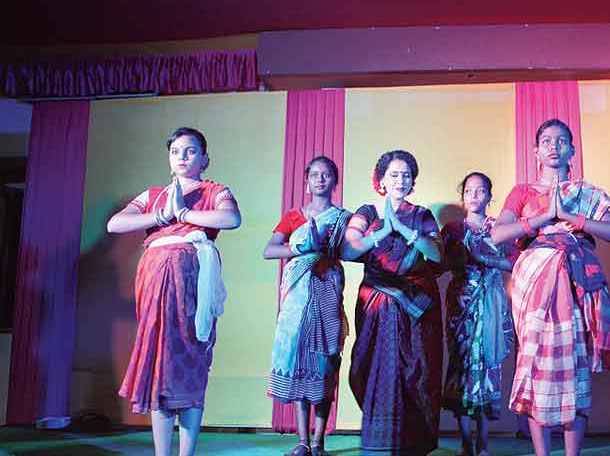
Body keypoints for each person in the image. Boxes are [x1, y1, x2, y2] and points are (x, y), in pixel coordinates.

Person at [491, 119, 610, 456]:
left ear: (572, 150)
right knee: (535, 364)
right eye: (547, 141)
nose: (554, 146)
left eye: (561, 140)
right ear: (536, 151)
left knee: (575, 367)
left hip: (576, 282)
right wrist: (542, 218)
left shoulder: (586, 191)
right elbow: (499, 234)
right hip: (534, 283)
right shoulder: (522, 191)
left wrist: (570, 216)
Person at [108, 127, 241, 456]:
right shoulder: (153, 194)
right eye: (176, 151)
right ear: (169, 159)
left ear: (205, 159)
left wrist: (183, 214)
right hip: (155, 282)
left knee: (193, 361)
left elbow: (232, 218)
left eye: (191, 151)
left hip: (194, 282)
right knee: (161, 365)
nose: (182, 157)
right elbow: (115, 223)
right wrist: (160, 215)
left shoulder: (214, 190)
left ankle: (187, 453)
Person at [343, 150, 444, 455]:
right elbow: (349, 251)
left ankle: (411, 442)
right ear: (381, 181)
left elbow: (437, 254)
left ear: (413, 181)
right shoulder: (367, 212)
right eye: (394, 175)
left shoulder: (421, 215)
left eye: (406, 175)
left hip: (416, 305)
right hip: (376, 301)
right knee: (370, 366)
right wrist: (382, 233)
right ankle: (379, 438)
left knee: (416, 370)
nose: (400, 180)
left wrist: (407, 233)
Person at [262, 156, 352, 456]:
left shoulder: (343, 218)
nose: (320, 179)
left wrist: (323, 247)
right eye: (315, 174)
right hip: (297, 299)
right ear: (306, 180)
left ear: (335, 181)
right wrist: (301, 247)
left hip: (326, 291)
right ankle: (302, 441)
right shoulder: (293, 216)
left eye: (326, 175)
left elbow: (350, 250)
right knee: (298, 361)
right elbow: (269, 250)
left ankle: (319, 442)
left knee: (324, 363)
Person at [440, 172, 516, 456]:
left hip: (491, 304)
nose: (474, 195)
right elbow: (440, 265)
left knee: (486, 367)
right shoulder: (452, 230)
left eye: (480, 190)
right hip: (461, 304)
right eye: (469, 191)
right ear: (463, 196)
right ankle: (465, 443)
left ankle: (483, 444)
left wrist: (487, 259)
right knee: (460, 367)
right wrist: (457, 259)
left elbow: (513, 263)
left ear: (489, 196)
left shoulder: (499, 228)